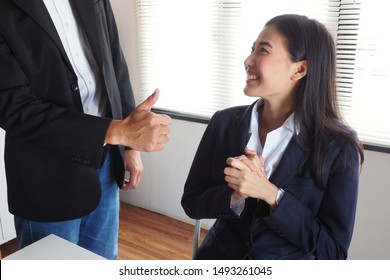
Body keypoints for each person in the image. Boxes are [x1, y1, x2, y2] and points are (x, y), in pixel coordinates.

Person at [181, 14, 364, 260]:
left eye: (263, 51)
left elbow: (333, 251)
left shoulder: (339, 146)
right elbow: (192, 202)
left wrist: (270, 194)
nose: (248, 60)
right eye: (252, 49)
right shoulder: (223, 123)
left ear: (300, 69)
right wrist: (235, 195)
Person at [0, 0, 171, 259]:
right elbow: (12, 107)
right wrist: (117, 133)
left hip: (106, 163)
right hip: (45, 177)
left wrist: (128, 146)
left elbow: (115, 59)